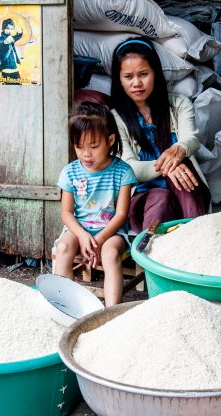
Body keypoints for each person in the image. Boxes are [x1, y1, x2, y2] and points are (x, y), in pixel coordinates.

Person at [110, 36, 211, 235]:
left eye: (144, 74)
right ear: (119, 80)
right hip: (143, 199)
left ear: (155, 73)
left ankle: (199, 238)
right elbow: (129, 167)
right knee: (161, 194)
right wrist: (166, 167)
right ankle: (148, 255)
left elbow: (191, 139)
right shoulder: (116, 118)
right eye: (128, 77)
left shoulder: (179, 104)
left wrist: (179, 150)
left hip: (184, 191)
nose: (137, 83)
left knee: (182, 168)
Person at [52, 101, 137, 307]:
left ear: (110, 140)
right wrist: (83, 236)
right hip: (78, 229)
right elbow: (66, 214)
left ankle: (110, 311)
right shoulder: (70, 172)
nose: (86, 154)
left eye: (93, 146)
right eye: (79, 146)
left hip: (111, 232)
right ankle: (65, 306)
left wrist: (98, 239)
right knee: (63, 247)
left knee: (110, 253)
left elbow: (121, 215)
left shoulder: (123, 172)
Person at [0, 18, 23, 84]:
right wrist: (4, 43)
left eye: (11, 29)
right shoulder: (1, 37)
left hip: (15, 70)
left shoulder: (9, 37)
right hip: (7, 72)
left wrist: (20, 32)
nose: (9, 31)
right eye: (8, 28)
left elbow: (16, 37)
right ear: (4, 28)